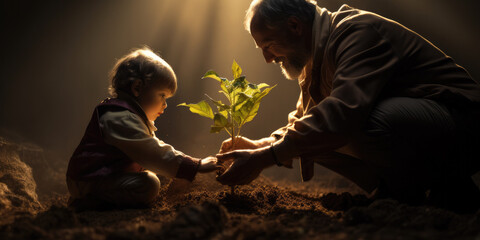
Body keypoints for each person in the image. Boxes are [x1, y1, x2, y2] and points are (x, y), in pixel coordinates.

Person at [216, 0, 480, 212]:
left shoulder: (357, 33)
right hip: (431, 128)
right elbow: (303, 120)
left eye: (268, 45)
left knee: (353, 122)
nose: (267, 58)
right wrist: (260, 146)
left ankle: (419, 191)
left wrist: (264, 159)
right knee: (310, 134)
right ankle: (425, 189)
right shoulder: (314, 56)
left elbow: (342, 114)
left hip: (465, 123)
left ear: (295, 25)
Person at [66, 47, 218, 211]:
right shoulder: (118, 117)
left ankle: (92, 198)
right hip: (90, 180)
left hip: (100, 177)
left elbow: (152, 147)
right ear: (137, 88)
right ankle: (88, 201)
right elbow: (151, 151)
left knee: (150, 177)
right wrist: (194, 165)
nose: (165, 104)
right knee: (149, 184)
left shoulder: (128, 116)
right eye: (162, 95)